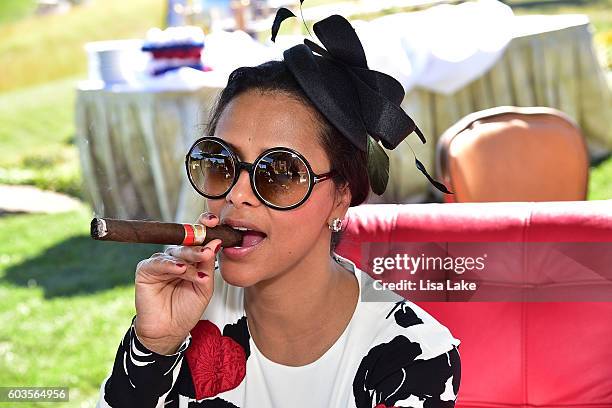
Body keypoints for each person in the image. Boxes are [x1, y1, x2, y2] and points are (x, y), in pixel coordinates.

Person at [96, 10, 461, 408]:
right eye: (220, 162)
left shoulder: (413, 358)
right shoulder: (186, 310)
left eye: (280, 172)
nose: (236, 194)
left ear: (340, 197)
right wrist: (154, 349)